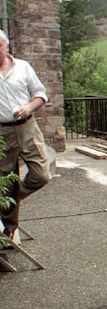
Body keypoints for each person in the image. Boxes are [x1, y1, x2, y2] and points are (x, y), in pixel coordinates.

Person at [0, 29, 53, 243]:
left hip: (27, 126)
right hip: (2, 131)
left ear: (7, 46)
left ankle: (13, 201)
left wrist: (29, 107)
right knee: (5, 179)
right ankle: (10, 230)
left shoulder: (23, 67)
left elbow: (41, 94)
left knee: (41, 174)